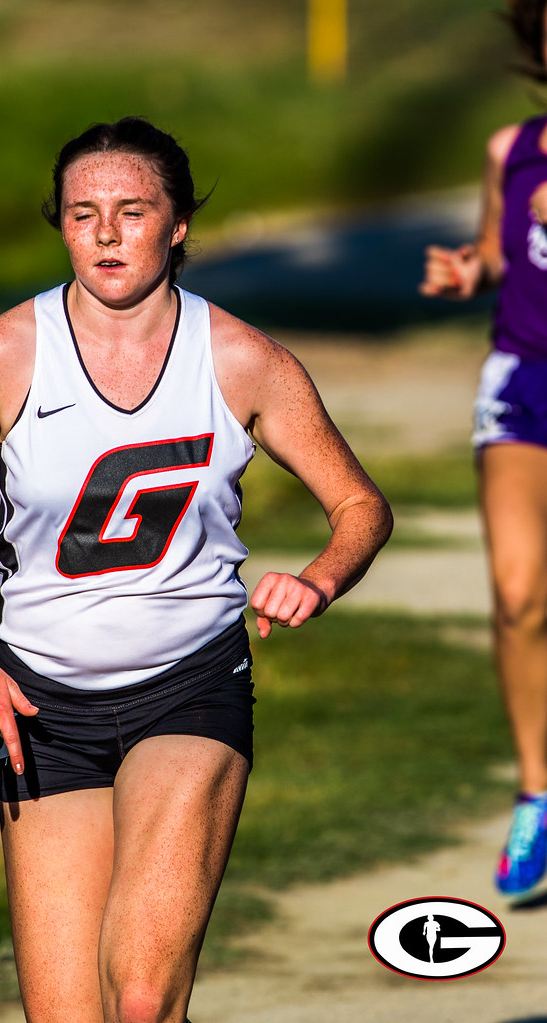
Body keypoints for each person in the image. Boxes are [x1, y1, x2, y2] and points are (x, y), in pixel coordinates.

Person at [0, 116, 392, 1023]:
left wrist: (318, 577)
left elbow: (360, 506)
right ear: (62, 225)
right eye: (83, 214)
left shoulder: (240, 358)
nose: (108, 234)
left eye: (133, 210)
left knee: (145, 993)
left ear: (179, 224)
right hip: (40, 704)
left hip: (187, 689)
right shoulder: (6, 353)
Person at [420, 0, 547, 898]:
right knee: (516, 592)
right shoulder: (512, 148)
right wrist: (470, 267)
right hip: (522, 380)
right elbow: (503, 251)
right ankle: (538, 790)